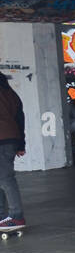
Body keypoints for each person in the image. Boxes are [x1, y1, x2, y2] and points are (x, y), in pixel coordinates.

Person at [0, 72, 27, 232]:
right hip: (11, 139)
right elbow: (20, 118)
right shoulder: (11, 94)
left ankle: (16, 216)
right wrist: (21, 144)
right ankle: (3, 217)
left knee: (6, 179)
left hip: (2, 139)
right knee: (3, 178)